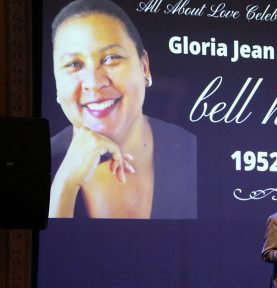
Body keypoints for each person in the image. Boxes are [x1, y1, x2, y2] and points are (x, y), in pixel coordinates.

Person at [48, 0, 197, 219]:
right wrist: (65, 185)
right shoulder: (41, 161)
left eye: (111, 58)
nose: (94, 82)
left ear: (144, 67)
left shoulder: (193, 151)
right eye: (74, 65)